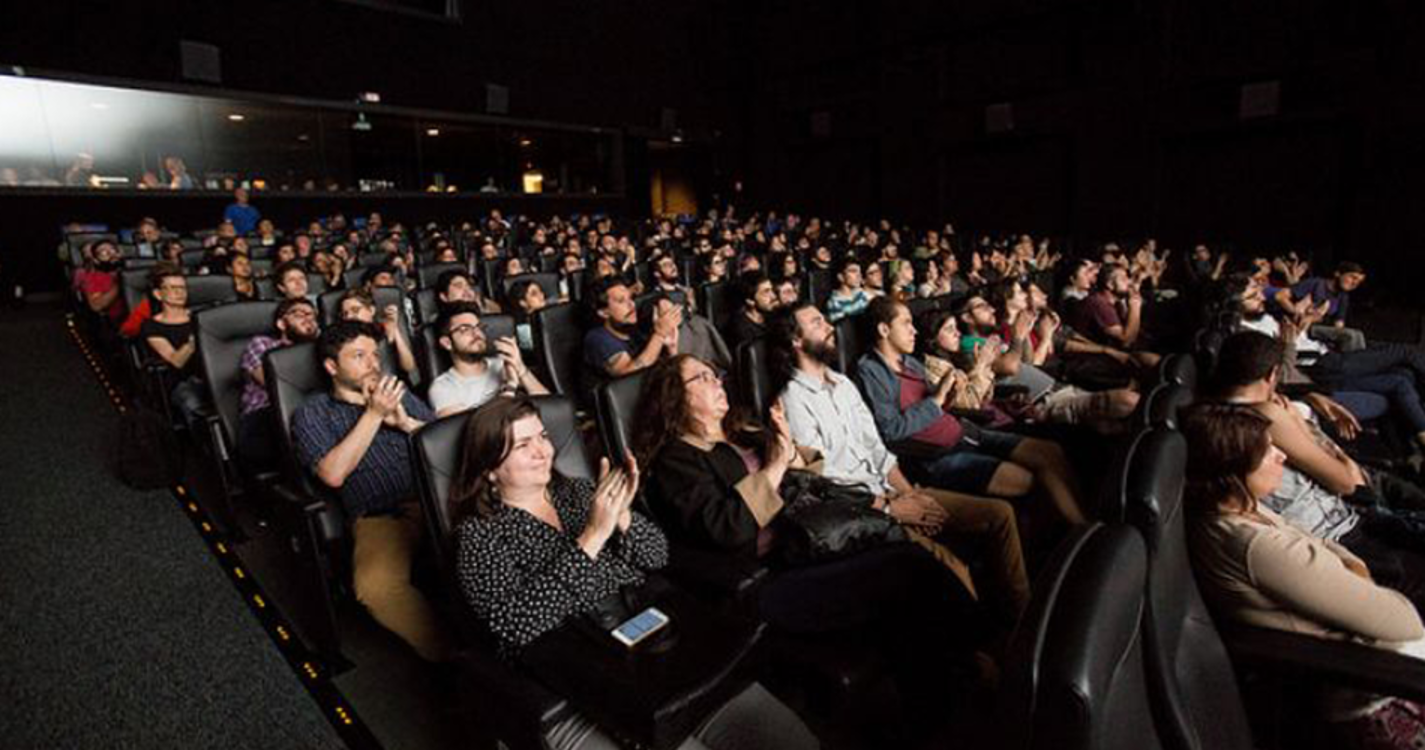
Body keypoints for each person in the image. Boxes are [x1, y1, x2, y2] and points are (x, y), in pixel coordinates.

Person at [634, 355, 995, 732]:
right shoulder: (677, 459)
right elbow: (728, 527)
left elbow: (810, 482)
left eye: (716, 374)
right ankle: (981, 654)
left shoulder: (740, 430)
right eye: (703, 378)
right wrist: (775, 465)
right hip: (772, 575)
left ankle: (942, 705)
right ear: (676, 396)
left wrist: (789, 450)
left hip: (816, 541)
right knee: (908, 565)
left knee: (907, 596)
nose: (718, 382)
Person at [450, 398, 820, 750]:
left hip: (655, 643)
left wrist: (624, 517)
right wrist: (593, 536)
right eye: (523, 445)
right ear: (489, 468)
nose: (544, 450)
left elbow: (657, 555)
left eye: (544, 437)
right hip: (583, 676)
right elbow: (515, 623)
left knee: (794, 740)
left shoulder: (579, 492)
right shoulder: (479, 536)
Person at [1181, 403, 1425, 749]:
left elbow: (1325, 544)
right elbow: (1404, 623)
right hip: (1375, 683)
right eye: (1266, 452)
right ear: (1233, 471)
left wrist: (1351, 570)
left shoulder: (1241, 506)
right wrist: (1355, 573)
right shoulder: (1254, 545)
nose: (1281, 455)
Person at [1208, 331, 1425, 611]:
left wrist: (1308, 398)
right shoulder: (1265, 415)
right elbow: (1349, 482)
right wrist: (1300, 421)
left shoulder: (1218, 416)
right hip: (1345, 527)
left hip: (1342, 520)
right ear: (1272, 374)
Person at [291, 322, 452, 662]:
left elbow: (446, 438)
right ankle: (452, 658)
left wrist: (406, 423)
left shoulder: (398, 391)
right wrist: (375, 415)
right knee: (376, 588)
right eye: (359, 356)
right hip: (384, 515)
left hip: (441, 496)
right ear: (332, 367)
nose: (373, 364)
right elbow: (332, 475)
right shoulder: (312, 412)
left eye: (375, 355)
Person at [846, 298, 1086, 525]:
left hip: (965, 432)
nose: (914, 331)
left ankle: (1089, 522)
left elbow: (940, 405)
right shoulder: (870, 372)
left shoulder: (910, 363)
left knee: (1050, 451)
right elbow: (891, 431)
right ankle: (1078, 531)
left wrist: (950, 391)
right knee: (1028, 479)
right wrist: (939, 397)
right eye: (906, 323)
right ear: (884, 330)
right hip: (936, 456)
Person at [237, 298, 320, 468]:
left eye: (312, 315)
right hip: (266, 416)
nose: (308, 318)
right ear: (281, 324)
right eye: (299, 314)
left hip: (310, 413)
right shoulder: (262, 344)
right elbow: (273, 384)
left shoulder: (318, 348)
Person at [429, 302, 548, 418]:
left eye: (478, 327)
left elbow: (550, 407)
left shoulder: (502, 363)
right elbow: (472, 434)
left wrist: (520, 368)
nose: (477, 333)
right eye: (465, 329)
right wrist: (509, 387)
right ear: (447, 343)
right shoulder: (443, 388)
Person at [139, 265, 207, 428]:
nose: (180, 292)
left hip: (209, 376)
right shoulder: (151, 325)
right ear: (158, 294)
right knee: (192, 403)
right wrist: (192, 342)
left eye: (183, 288)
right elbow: (176, 361)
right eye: (173, 288)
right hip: (181, 381)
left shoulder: (201, 316)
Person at [583, 278, 677, 378]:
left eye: (630, 298)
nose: (631, 305)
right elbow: (628, 374)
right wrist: (659, 334)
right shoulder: (597, 339)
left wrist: (672, 348)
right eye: (621, 301)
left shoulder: (632, 328)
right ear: (604, 312)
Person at [338, 289, 418, 380]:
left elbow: (409, 366)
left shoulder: (383, 329)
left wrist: (395, 330)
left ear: (371, 310)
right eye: (345, 314)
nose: (349, 317)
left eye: (355, 310)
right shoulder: (344, 339)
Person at [75, 240, 126, 325]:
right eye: (103, 252)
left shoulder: (132, 269)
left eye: (113, 250)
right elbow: (96, 306)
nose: (110, 254)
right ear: (96, 260)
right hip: (116, 321)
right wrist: (121, 284)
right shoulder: (92, 278)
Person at [727, 273, 777, 347]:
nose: (773, 296)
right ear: (750, 301)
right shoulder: (741, 331)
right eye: (766, 292)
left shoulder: (772, 316)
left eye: (772, 290)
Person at [435, 269, 501, 315]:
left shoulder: (482, 309)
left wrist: (480, 307)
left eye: (468, 287)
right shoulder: (440, 322)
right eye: (459, 286)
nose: (467, 290)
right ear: (444, 297)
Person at [825, 258, 871, 323]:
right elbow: (842, 329)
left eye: (859, 272)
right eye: (853, 271)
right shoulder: (835, 302)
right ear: (841, 277)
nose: (859, 275)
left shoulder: (862, 293)